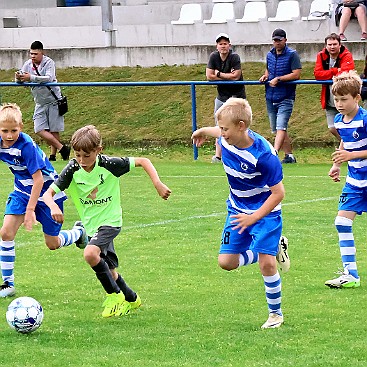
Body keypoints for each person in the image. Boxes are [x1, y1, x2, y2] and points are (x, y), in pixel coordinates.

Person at [42, 125, 172, 318]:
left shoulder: (108, 164)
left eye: (87, 156)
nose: (82, 160)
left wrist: (157, 183)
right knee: (110, 270)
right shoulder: (73, 168)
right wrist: (52, 206)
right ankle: (132, 299)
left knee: (90, 253)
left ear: (98, 151)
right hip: (92, 225)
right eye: (78, 155)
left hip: (111, 221)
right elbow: (47, 195)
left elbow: (143, 161)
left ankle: (114, 296)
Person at [191, 98, 290, 329]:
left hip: (266, 212)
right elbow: (218, 130)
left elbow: (279, 193)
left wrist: (254, 217)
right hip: (237, 209)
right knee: (226, 262)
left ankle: (275, 314)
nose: (222, 134)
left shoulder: (264, 155)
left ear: (241, 126)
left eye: (225, 129)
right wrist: (204, 130)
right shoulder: (226, 138)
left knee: (266, 265)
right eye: (221, 129)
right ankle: (272, 249)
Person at [0, 103, 87, 298]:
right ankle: (8, 284)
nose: (9, 135)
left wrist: (30, 210)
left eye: (14, 130)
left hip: (48, 193)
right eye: (4, 131)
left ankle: (79, 232)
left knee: (53, 244)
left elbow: (38, 180)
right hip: (21, 191)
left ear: (21, 127)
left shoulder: (27, 146)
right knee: (6, 233)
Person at [325, 70, 367, 289]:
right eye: (336, 99)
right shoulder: (339, 120)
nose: (339, 104)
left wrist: (351, 156)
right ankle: (351, 274)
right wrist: (337, 164)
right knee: (342, 223)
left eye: (344, 99)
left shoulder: (365, 119)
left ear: (357, 98)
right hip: (355, 182)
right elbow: (345, 143)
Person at [15, 40, 70, 162]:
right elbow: (20, 80)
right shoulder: (28, 64)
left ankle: (53, 156)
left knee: (54, 129)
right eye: (31, 54)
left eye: (35, 54)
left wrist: (31, 77)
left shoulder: (49, 62)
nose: (33, 56)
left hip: (53, 100)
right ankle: (63, 148)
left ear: (42, 53)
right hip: (40, 102)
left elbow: (49, 78)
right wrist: (18, 78)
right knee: (39, 129)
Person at [259, 29, 302, 164]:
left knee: (280, 127)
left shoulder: (292, 55)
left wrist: (279, 79)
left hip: (286, 96)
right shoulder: (269, 55)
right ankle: (289, 155)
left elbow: (296, 74)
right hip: (270, 96)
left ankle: (274, 154)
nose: (277, 43)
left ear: (285, 40)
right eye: (275, 40)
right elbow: (268, 69)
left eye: (279, 40)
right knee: (276, 129)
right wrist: (265, 76)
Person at [206, 33, 246, 163]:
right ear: (217, 46)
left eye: (225, 43)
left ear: (229, 45)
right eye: (220, 44)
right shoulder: (214, 57)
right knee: (220, 125)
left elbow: (236, 76)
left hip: (237, 97)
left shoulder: (234, 57)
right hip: (222, 97)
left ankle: (240, 153)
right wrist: (226, 75)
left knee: (239, 125)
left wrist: (218, 73)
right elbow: (209, 76)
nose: (223, 46)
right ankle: (218, 155)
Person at [314, 33, 355, 141]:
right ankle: (347, 143)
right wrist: (335, 71)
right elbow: (318, 74)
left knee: (349, 125)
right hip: (329, 97)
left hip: (345, 95)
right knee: (332, 128)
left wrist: (328, 73)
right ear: (326, 46)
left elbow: (347, 71)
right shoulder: (321, 55)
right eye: (330, 44)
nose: (332, 47)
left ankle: (351, 145)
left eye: (335, 44)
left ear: (340, 45)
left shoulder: (346, 54)